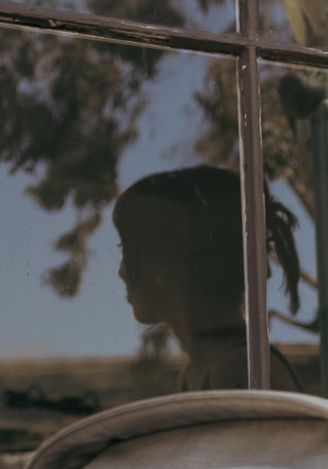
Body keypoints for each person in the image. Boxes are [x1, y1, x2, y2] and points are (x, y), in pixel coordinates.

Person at [113, 165, 308, 395]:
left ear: (162, 264)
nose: (121, 272)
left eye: (126, 252)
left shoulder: (235, 371)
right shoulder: (196, 374)